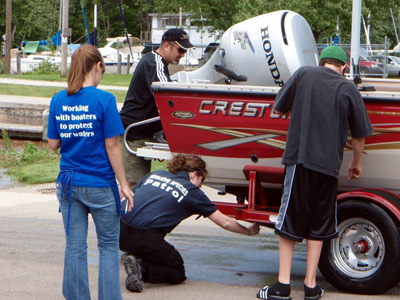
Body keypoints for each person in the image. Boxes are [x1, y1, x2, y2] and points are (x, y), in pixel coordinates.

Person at [256, 46, 373, 300]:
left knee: (288, 222)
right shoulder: (348, 88)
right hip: (329, 168)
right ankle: (311, 286)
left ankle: (282, 286)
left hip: (301, 161)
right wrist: (356, 164)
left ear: (322, 62)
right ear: (343, 66)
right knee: (319, 226)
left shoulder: (304, 74)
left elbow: (279, 108)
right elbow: (360, 134)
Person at [47, 44, 134, 300]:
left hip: (69, 184)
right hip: (99, 184)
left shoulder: (58, 99)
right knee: (108, 247)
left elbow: (53, 144)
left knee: (74, 246)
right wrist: (124, 184)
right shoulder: (104, 100)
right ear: (98, 66)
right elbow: (113, 144)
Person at [119, 154, 260, 292]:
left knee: (148, 240)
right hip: (145, 238)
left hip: (119, 231)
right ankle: (141, 269)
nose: (201, 185)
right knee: (177, 271)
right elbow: (225, 222)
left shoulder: (155, 174)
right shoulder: (193, 192)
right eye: (202, 179)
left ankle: (135, 256)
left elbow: (127, 197)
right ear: (193, 175)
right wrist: (248, 231)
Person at [119, 28, 194, 188]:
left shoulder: (156, 62)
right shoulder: (155, 63)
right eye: (181, 50)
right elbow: (167, 98)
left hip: (141, 132)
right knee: (133, 188)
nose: (182, 54)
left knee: (136, 187)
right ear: (167, 45)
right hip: (134, 134)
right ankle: (125, 213)